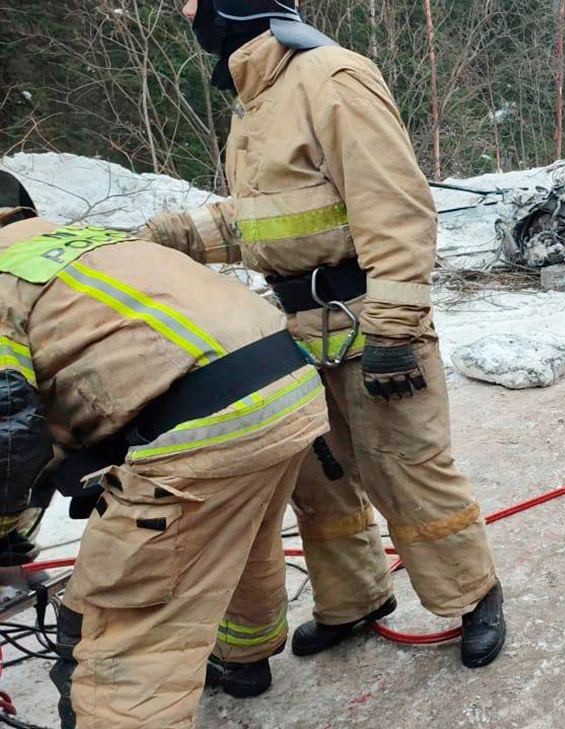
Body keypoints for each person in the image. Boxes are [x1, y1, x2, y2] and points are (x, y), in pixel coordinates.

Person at [153, 0, 506, 674]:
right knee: (320, 478)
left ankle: (474, 594)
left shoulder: (332, 76)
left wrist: (396, 330)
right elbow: (269, 220)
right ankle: (354, 599)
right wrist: (174, 236)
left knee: (404, 465)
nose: (187, 12)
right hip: (295, 327)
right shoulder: (255, 100)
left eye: (194, 1)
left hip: (368, 317)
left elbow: (395, 206)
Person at [0, 172, 330, 729]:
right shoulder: (82, 239)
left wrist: (6, 529)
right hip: (289, 385)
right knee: (240, 538)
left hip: (205, 425)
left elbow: (10, 439)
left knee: (120, 624)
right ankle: (243, 658)